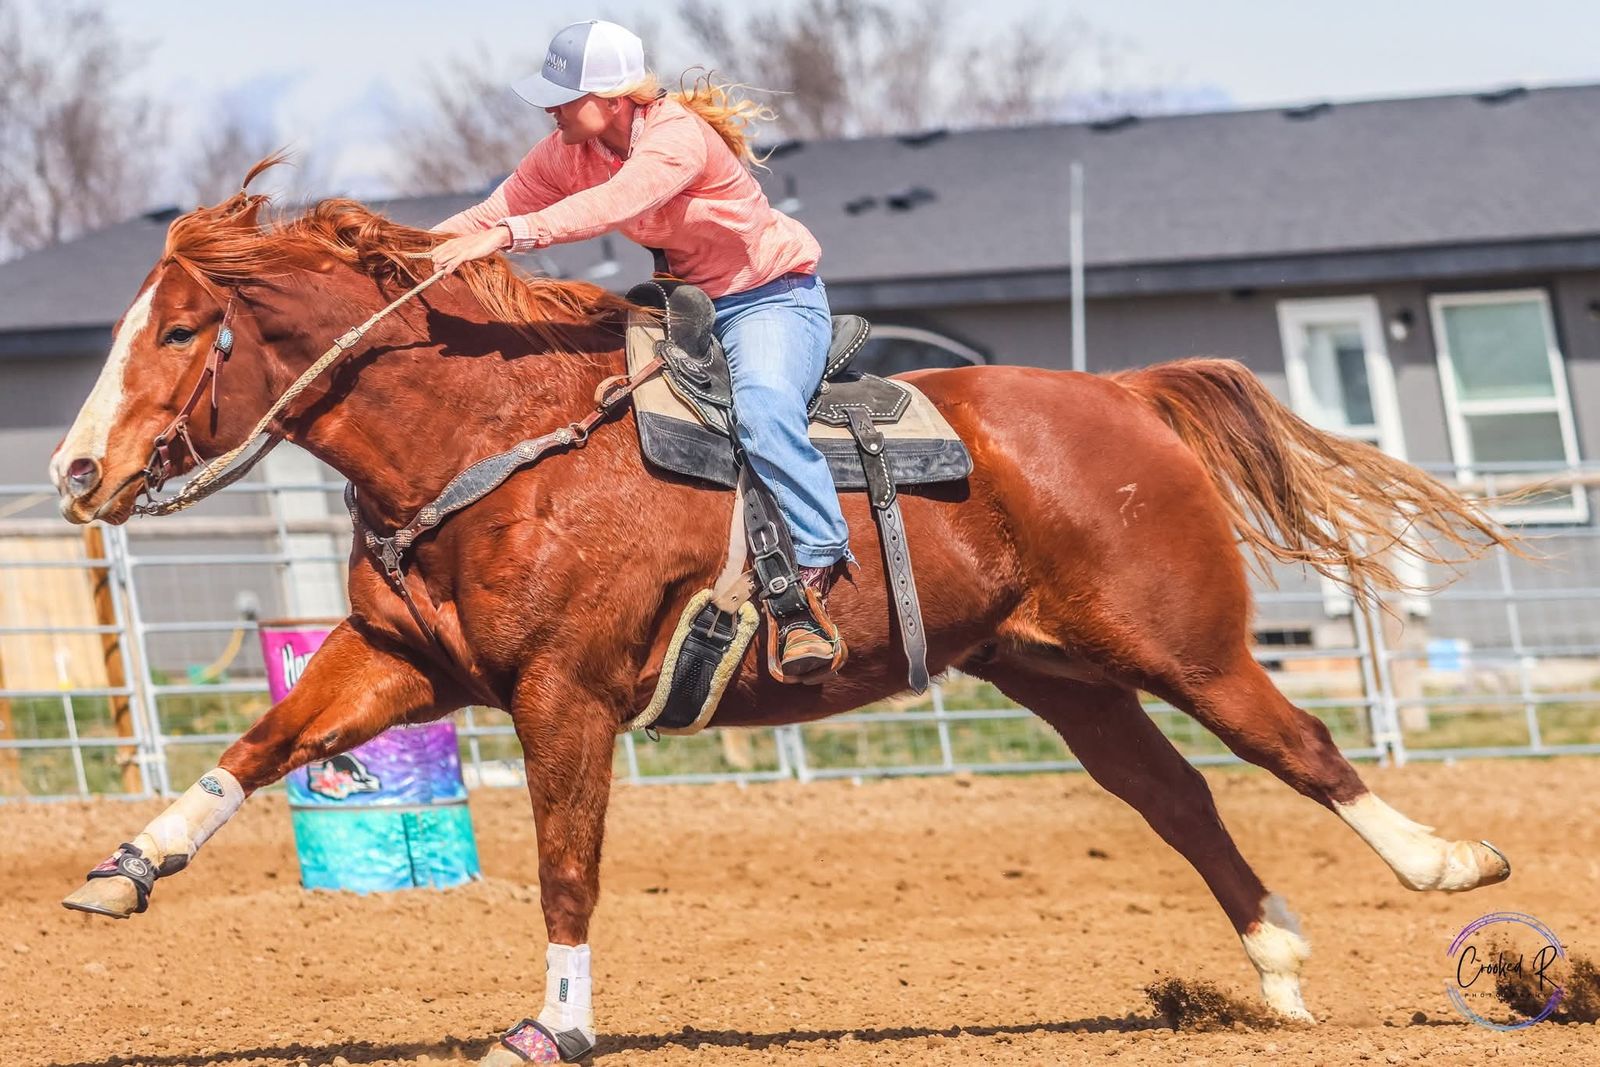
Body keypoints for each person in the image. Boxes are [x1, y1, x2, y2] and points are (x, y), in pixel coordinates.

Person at [429, 19, 851, 681]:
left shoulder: (677, 137)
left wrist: (510, 235)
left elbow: (612, 202)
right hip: (688, 306)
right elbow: (491, 212)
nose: (550, 110)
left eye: (564, 98)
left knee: (765, 409)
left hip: (770, 299)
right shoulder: (566, 150)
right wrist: (402, 254)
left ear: (613, 97)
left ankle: (817, 560)